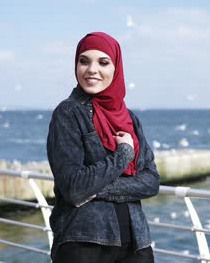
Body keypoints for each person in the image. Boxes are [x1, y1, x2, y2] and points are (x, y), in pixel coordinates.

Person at [47, 32, 160, 263]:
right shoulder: (69, 113)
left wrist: (96, 189)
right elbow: (74, 187)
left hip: (137, 243)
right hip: (83, 242)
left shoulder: (130, 119)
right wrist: (123, 155)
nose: (91, 70)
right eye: (84, 61)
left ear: (116, 67)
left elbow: (151, 182)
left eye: (103, 62)